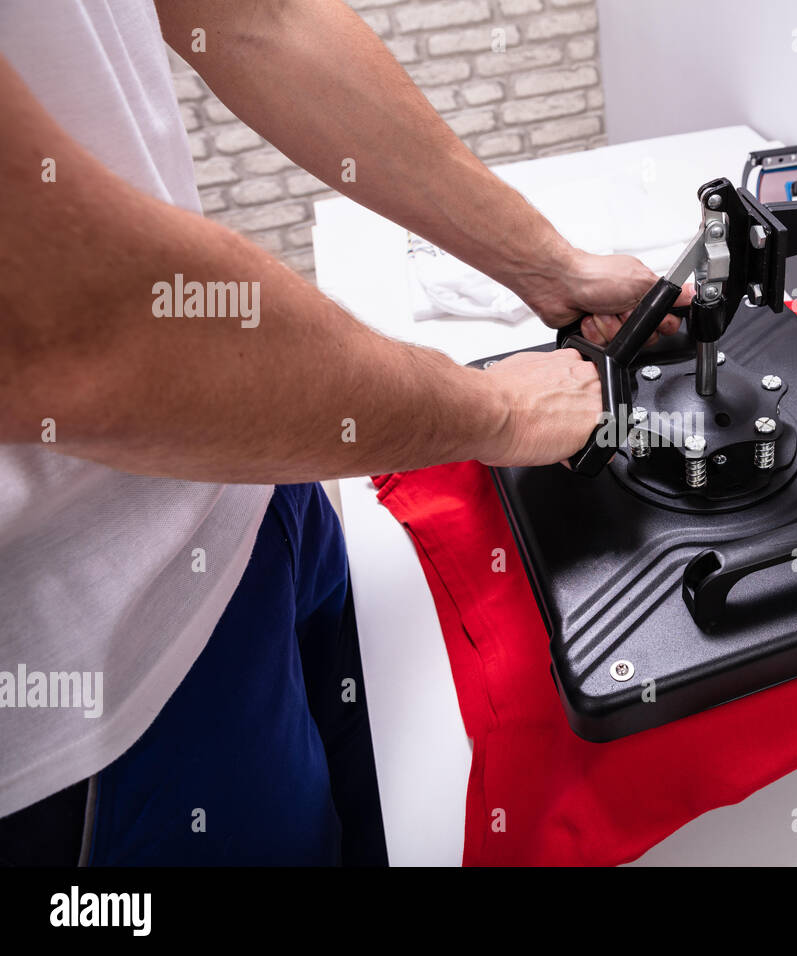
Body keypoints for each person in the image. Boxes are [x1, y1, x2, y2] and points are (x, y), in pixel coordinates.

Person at [0, 0, 682, 865]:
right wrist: (499, 412)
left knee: (373, 819)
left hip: (254, 496)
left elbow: (260, 21)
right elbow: (71, 328)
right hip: (94, 692)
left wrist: (548, 266)